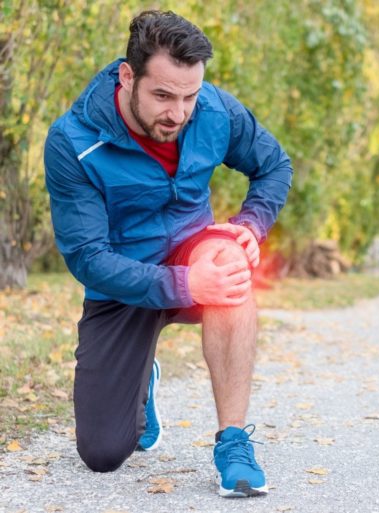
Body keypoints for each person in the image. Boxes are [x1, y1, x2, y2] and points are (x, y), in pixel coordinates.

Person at [44, 10, 292, 498]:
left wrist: (249, 226)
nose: (177, 113)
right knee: (103, 454)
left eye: (189, 96)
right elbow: (88, 258)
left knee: (230, 264)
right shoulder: (73, 141)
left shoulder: (214, 112)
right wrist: (183, 286)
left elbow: (273, 165)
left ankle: (234, 441)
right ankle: (142, 382)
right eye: (162, 95)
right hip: (121, 282)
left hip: (194, 253)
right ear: (127, 76)